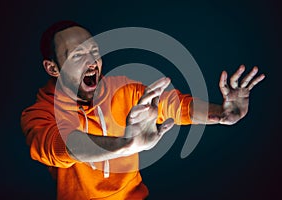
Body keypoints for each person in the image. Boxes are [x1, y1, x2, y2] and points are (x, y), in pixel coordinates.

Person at [21, 20, 265, 200]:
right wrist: (124, 144)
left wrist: (222, 115)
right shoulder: (38, 113)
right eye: (76, 55)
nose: (91, 62)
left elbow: (176, 105)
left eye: (94, 51)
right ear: (53, 68)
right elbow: (60, 145)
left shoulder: (124, 90)